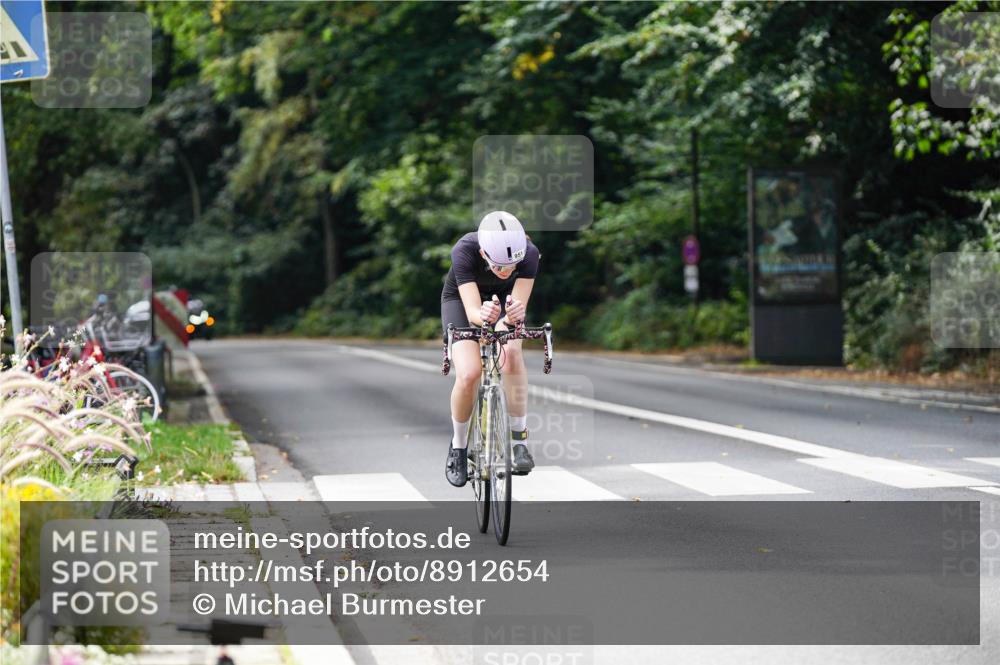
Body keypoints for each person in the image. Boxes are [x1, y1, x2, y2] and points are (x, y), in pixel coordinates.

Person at [441, 211, 540, 487]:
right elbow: (473, 310)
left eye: (512, 266)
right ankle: (459, 448)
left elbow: (512, 315)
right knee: (470, 373)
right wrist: (483, 317)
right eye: (499, 267)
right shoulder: (465, 250)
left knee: (512, 357)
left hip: (506, 305)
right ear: (484, 254)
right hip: (463, 304)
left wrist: (507, 319)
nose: (507, 272)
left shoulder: (530, 254)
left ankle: (519, 442)